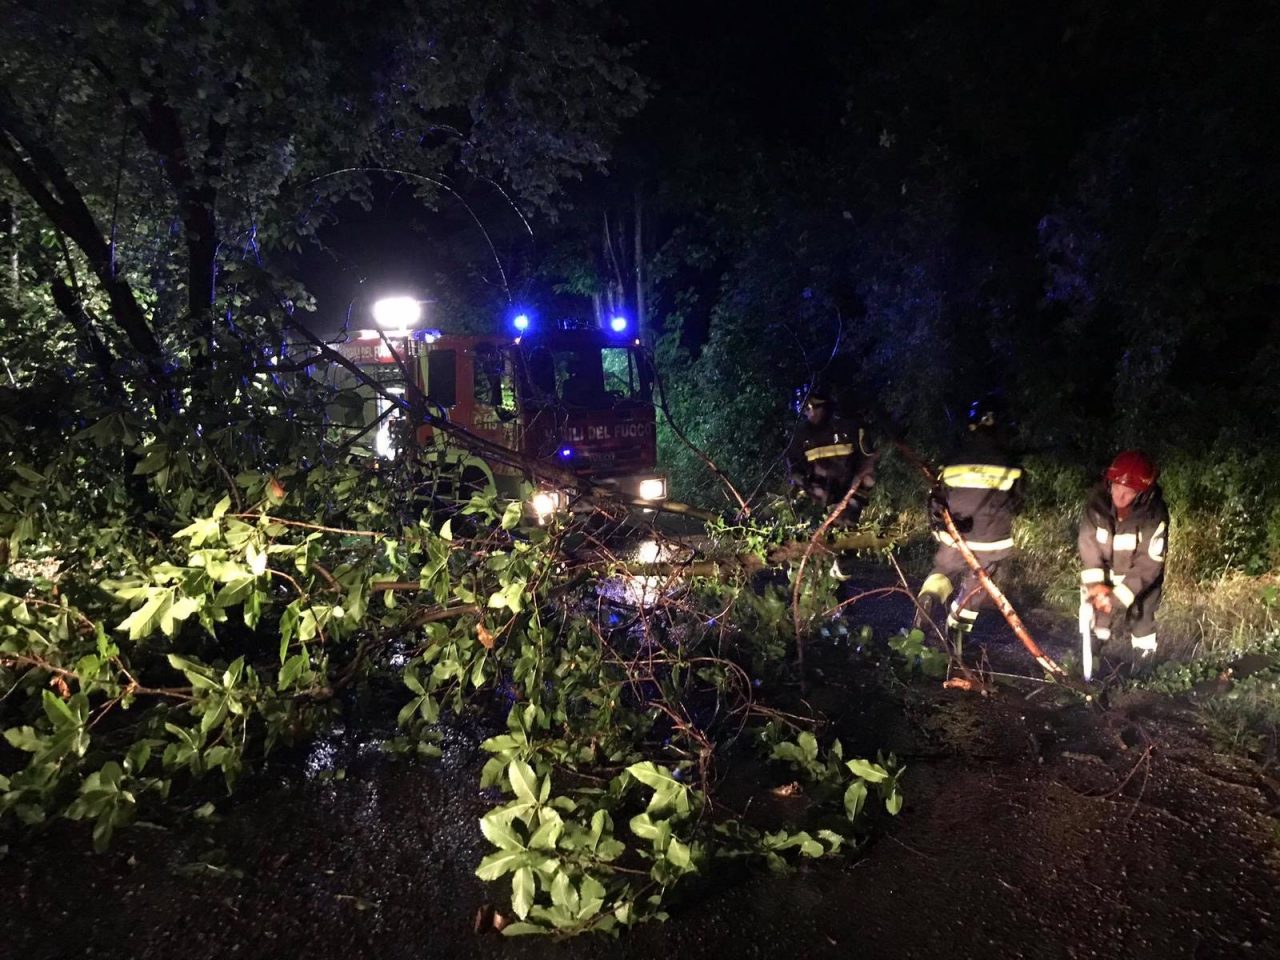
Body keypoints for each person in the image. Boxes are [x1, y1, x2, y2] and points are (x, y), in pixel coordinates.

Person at [915, 396, 1023, 647]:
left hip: (954, 535)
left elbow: (936, 497)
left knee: (942, 571)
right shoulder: (1009, 462)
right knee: (977, 586)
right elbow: (1017, 503)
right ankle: (956, 637)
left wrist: (939, 523)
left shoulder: (953, 456)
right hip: (991, 540)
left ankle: (929, 598)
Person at [1078, 450, 1168, 663]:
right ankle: (1091, 660)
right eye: (1116, 487)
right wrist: (1096, 586)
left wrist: (1116, 598)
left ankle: (1144, 669)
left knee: (1142, 619)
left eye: (1128, 491)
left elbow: (1149, 564)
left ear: (1143, 493)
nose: (1119, 496)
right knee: (1096, 618)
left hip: (1140, 583)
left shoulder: (1154, 515)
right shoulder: (1096, 506)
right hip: (1105, 577)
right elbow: (1088, 545)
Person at [786, 388, 877, 526]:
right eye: (806, 408)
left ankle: (848, 523)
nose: (809, 412)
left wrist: (855, 488)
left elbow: (868, 460)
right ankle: (810, 529)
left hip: (849, 488)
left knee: (868, 480)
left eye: (813, 406)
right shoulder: (801, 436)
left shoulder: (849, 428)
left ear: (825, 407)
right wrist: (810, 488)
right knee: (803, 505)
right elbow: (794, 470)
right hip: (818, 491)